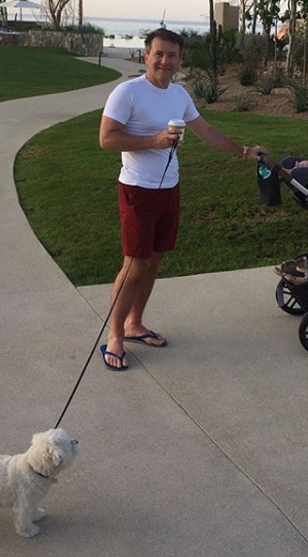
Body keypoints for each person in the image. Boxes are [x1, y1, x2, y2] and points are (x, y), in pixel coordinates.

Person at [98, 28, 266, 371]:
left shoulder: (179, 94)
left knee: (154, 260)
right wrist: (155, 141)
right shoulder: (127, 92)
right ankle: (115, 335)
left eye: (171, 55)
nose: (165, 61)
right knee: (133, 265)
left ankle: (135, 323)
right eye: (158, 54)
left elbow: (205, 130)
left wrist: (243, 151)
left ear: (179, 59)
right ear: (146, 55)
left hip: (169, 188)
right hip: (138, 189)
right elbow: (106, 139)